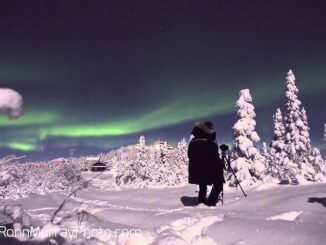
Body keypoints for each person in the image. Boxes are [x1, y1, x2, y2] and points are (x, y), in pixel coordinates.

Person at [188, 121, 225, 206]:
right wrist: (220, 166)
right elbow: (214, 156)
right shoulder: (209, 140)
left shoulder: (193, 140)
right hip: (207, 168)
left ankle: (201, 202)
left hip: (195, 169)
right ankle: (211, 202)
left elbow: (189, 155)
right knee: (219, 182)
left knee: (202, 184)